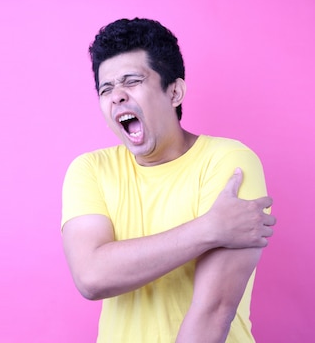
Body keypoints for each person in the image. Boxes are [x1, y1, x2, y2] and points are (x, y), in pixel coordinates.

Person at [61, 18, 276, 342]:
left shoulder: (229, 161)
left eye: (131, 81)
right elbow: (91, 276)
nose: (116, 96)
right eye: (106, 89)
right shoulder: (90, 170)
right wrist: (208, 229)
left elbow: (214, 310)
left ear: (174, 91)